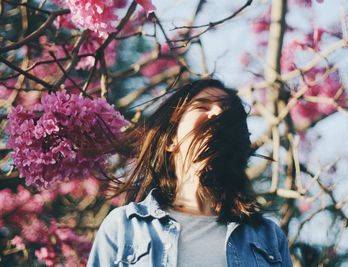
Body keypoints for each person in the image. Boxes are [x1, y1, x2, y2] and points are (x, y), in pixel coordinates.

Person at [87, 79, 293, 267]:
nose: (218, 113)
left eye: (226, 110)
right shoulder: (124, 228)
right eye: (203, 106)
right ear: (170, 140)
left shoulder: (268, 237)